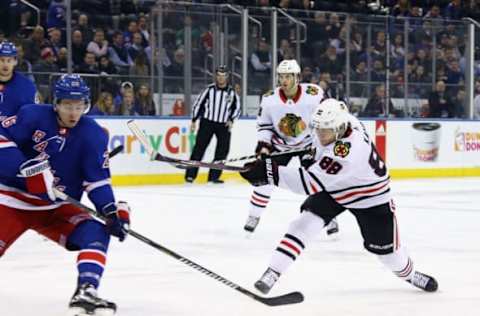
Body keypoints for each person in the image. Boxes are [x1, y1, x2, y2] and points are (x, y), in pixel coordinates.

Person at [240, 98, 438, 294]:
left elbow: (308, 183)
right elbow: (316, 149)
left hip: (370, 197)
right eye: (318, 128)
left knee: (388, 255)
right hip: (337, 188)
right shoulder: (341, 122)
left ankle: (411, 275)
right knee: (303, 224)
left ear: (339, 128)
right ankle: (273, 272)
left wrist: (267, 172)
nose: (319, 133)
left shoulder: (346, 151)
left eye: (324, 130)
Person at [0, 74, 131, 315]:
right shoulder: (31, 115)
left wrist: (110, 211)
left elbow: (97, 181)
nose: (73, 112)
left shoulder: (93, 134)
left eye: (79, 106)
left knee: (96, 232)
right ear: (56, 103)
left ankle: (86, 290)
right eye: (68, 106)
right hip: (11, 201)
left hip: (55, 208)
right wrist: (25, 171)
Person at [243, 59, 332, 235]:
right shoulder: (269, 99)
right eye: (281, 76)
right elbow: (264, 126)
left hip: (308, 144)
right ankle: (254, 215)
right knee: (264, 178)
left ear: (297, 77)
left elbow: (329, 114)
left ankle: (330, 217)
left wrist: (322, 141)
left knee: (318, 180)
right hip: (280, 145)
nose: (284, 80)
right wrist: (264, 146)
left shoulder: (314, 94)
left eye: (288, 76)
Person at [184, 66, 241, 184]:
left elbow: (237, 108)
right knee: (199, 148)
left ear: (227, 77)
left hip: (224, 125)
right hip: (207, 122)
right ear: (216, 76)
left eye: (223, 76)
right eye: (219, 76)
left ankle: (214, 177)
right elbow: (198, 104)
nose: (221, 78)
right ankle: (190, 176)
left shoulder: (232, 93)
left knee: (222, 151)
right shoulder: (208, 90)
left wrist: (231, 120)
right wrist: (194, 120)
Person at [0, 41, 38, 122]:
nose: (5, 64)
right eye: (2, 60)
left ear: (15, 61)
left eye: (9, 60)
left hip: (14, 132)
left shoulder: (27, 86)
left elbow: (34, 116)